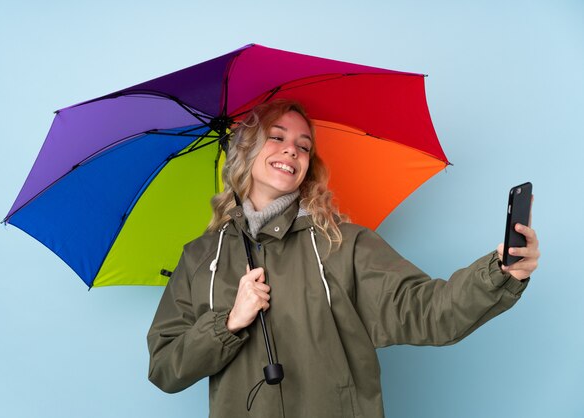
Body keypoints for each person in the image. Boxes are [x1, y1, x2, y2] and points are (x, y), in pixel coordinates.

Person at [147, 100, 540, 418]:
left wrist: (499, 272)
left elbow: (430, 312)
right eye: (276, 137)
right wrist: (228, 324)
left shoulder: (342, 244)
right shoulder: (201, 258)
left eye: (303, 145)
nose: (291, 150)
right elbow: (165, 367)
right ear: (244, 151)